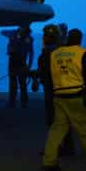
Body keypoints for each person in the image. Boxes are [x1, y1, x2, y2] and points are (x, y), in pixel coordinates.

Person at [41, 28, 86, 171]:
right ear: (80, 39)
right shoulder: (82, 53)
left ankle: (49, 162)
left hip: (59, 97)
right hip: (77, 97)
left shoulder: (54, 54)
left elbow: (48, 76)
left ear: (67, 38)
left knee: (57, 130)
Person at [32, 24, 74, 156]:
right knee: (62, 120)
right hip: (58, 90)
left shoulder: (50, 53)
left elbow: (46, 71)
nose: (45, 38)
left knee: (53, 121)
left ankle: (55, 148)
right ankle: (67, 147)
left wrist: (34, 76)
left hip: (54, 91)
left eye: (47, 36)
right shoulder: (57, 52)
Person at [0, 25, 33, 108]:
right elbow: (2, 32)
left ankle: (23, 102)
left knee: (22, 83)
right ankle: (12, 102)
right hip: (13, 61)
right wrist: (13, 33)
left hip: (22, 62)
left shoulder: (29, 38)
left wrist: (29, 65)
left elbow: (31, 52)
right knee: (13, 83)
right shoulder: (13, 34)